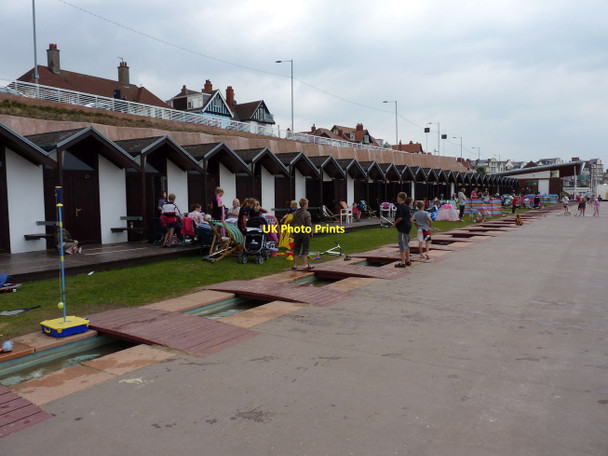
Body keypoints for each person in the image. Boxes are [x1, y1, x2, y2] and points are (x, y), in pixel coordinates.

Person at [290, 198, 313, 270]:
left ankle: (295, 265)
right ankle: (304, 265)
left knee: (296, 248)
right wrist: (311, 232)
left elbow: (292, 223)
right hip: (304, 232)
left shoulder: (295, 213)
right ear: (305, 205)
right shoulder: (307, 213)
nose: (307, 205)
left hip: (297, 231)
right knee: (305, 248)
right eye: (307, 204)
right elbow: (309, 224)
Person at [392, 192, 413, 268]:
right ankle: (408, 260)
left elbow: (400, 218)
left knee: (402, 244)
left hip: (403, 227)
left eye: (397, 198)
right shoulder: (407, 207)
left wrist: (394, 223)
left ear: (400, 198)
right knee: (406, 243)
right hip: (408, 227)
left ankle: (403, 262)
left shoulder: (400, 207)